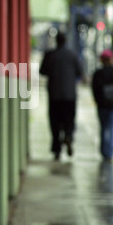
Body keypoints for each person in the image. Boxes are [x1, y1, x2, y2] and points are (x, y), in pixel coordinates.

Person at [40, 32, 83, 161]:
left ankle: (57, 149)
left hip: (54, 95)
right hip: (70, 95)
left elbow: (42, 71)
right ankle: (68, 136)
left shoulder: (50, 55)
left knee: (55, 122)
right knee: (69, 119)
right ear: (65, 41)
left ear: (56, 41)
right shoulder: (73, 55)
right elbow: (80, 72)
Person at [91, 49, 113, 161]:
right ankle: (110, 152)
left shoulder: (98, 73)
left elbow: (94, 89)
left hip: (102, 105)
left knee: (104, 127)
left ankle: (104, 151)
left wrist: (97, 100)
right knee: (111, 127)